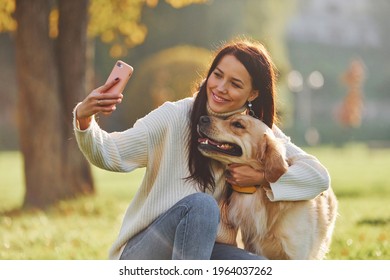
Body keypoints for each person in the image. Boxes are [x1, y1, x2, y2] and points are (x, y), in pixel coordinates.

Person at [73, 38, 330, 260]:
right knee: (202, 206)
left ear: (252, 94)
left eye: (235, 84)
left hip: (202, 251)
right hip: (144, 253)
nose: (220, 88)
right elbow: (111, 153)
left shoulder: (250, 131)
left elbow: (318, 177)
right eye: (217, 75)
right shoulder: (174, 117)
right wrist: (84, 119)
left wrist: (262, 178)